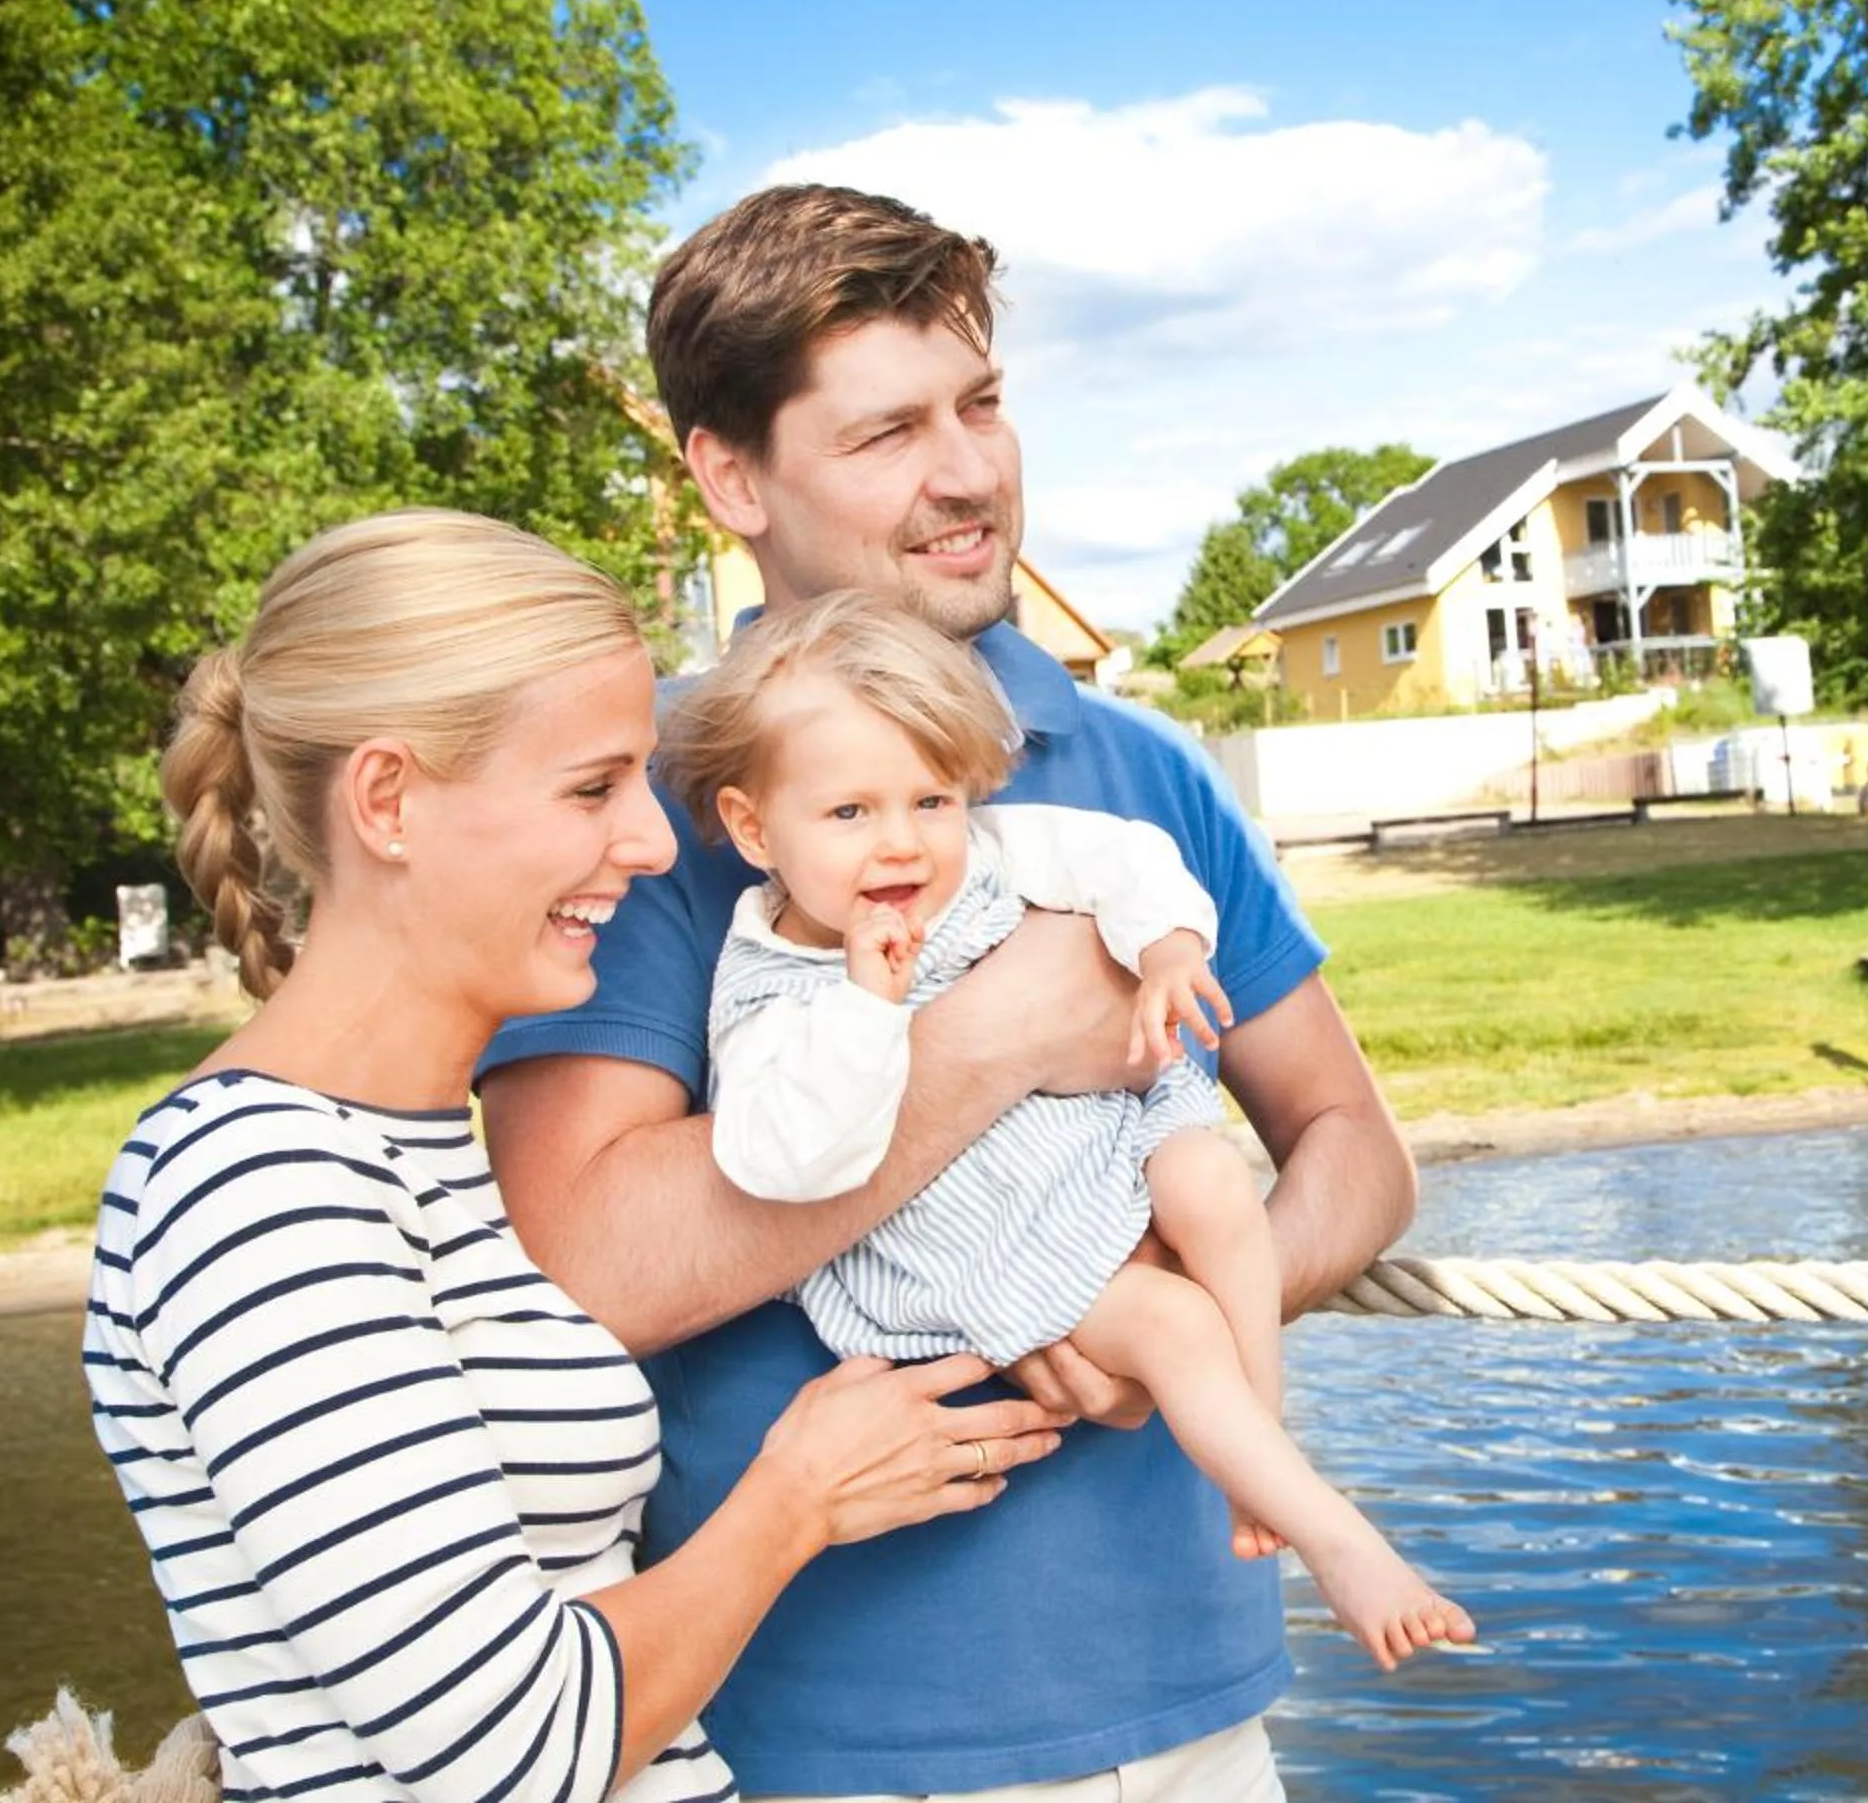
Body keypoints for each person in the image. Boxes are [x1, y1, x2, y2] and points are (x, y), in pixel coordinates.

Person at [478, 184, 1424, 1801]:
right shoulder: (645, 803)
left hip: (1199, 1702)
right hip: (832, 1745)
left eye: (983, 403)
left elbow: (1354, 1143)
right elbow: (580, 1269)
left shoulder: (1138, 770)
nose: (971, 469)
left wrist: (1192, 1306)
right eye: (889, 430)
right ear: (728, 476)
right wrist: (991, 1041)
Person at [83, 510, 1069, 1802]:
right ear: (388, 801)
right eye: (594, 787)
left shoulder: (417, 1151)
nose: (657, 844)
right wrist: (800, 1499)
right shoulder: (255, 1192)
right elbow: (514, 1754)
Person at [659, 591, 1473, 1671]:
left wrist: (1174, 944)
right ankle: (1336, 1537)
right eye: (849, 814)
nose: (902, 842)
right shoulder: (767, 990)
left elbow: (1127, 857)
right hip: (972, 1228)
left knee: (1215, 1186)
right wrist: (865, 1005)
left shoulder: (990, 847)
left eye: (930, 799)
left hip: (1091, 1139)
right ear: (756, 828)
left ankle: (1256, 1445)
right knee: (1177, 1328)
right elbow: (791, 1159)